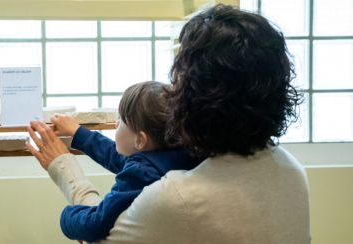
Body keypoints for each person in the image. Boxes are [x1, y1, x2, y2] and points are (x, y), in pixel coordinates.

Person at [27, 4, 310, 244]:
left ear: (194, 96)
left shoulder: (175, 197)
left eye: (179, 81)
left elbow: (95, 235)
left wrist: (64, 167)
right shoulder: (290, 171)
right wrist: (80, 136)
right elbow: (131, 162)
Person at [29, 81, 202, 242]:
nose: (115, 125)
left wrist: (68, 216)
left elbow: (96, 224)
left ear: (140, 140)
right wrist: (79, 133)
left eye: (120, 122)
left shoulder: (139, 175)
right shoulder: (178, 156)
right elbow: (118, 157)